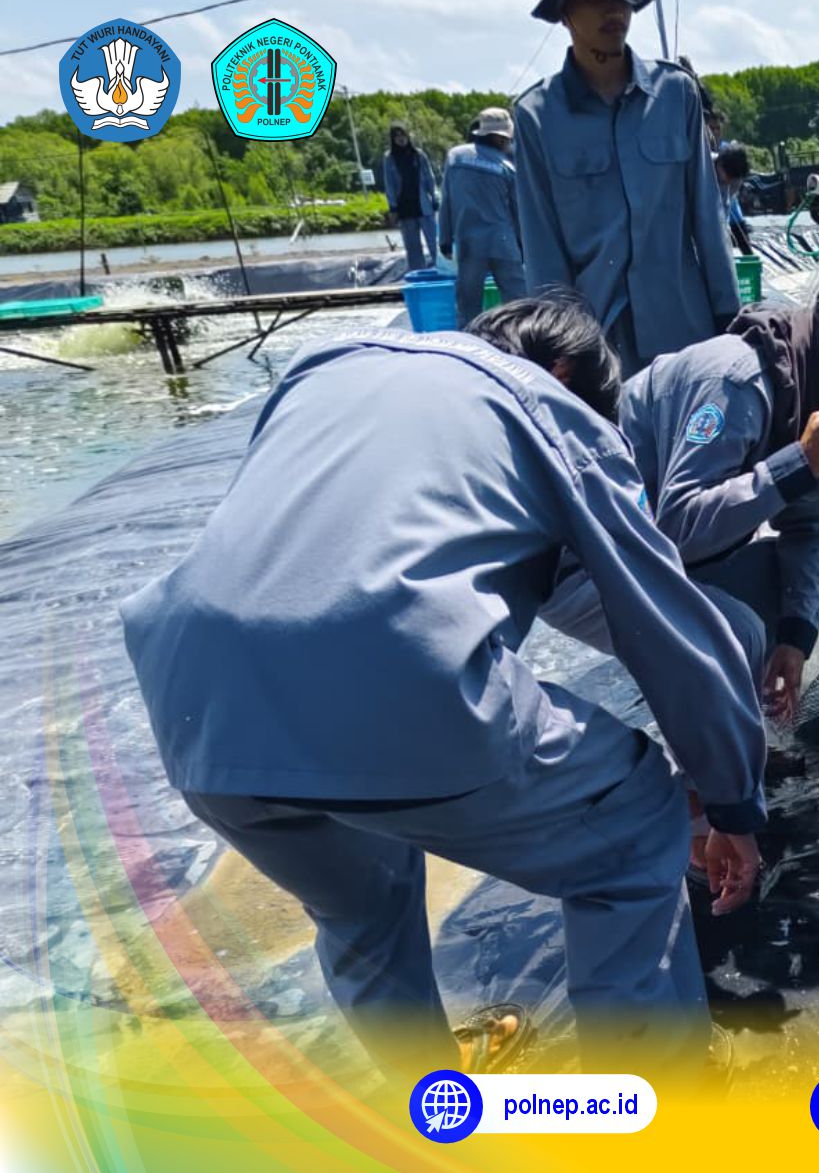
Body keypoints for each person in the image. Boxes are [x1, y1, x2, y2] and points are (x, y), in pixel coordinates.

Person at [118, 294, 766, 1083]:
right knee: (634, 819)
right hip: (399, 677)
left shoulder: (327, 366)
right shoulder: (551, 408)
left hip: (196, 708)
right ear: (566, 371)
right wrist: (731, 801)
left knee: (363, 901)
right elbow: (667, 625)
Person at [619, 248, 819, 723]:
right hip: (596, 552)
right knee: (742, 630)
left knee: (783, 594)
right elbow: (675, 527)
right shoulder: (740, 381)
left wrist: (795, 638)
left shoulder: (812, 392)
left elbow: (811, 528)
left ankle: (724, 704)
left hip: (653, 554)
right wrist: (802, 463)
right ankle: (716, 757)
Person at [513, 0, 739, 375]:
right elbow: (541, 245)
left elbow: (707, 215)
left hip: (684, 329)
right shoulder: (536, 115)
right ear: (565, 14)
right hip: (595, 342)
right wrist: (555, 348)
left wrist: (730, 317)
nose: (614, 9)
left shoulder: (675, 93)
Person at [439, 107, 528, 327]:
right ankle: (522, 343)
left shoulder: (455, 157)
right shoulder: (507, 167)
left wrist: (445, 239)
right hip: (504, 242)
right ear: (501, 138)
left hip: (469, 243)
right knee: (519, 305)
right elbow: (518, 213)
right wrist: (523, 247)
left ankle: (468, 344)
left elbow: (446, 200)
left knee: (468, 308)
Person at [382, 123, 439, 271]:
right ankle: (418, 273)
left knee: (434, 242)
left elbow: (429, 178)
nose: (401, 139)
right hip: (404, 208)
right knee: (413, 248)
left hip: (424, 206)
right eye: (397, 136)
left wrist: (434, 197)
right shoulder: (389, 158)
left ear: (408, 136)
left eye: (403, 135)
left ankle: (442, 269)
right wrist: (393, 207)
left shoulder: (418, 155)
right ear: (393, 140)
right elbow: (389, 184)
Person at [714, 144, 753, 254]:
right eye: (728, 176)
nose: (729, 181)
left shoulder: (735, 180)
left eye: (733, 179)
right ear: (720, 164)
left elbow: (724, 206)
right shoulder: (701, 167)